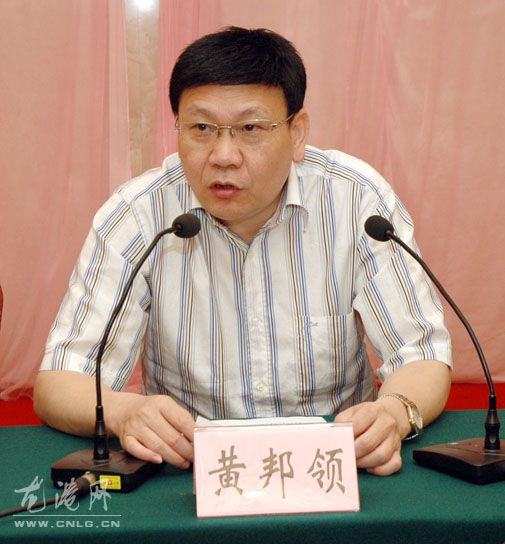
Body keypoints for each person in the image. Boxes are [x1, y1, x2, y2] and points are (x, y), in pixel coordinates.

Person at [34, 27, 452, 477]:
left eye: (250, 128)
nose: (223, 155)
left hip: (332, 467)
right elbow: (60, 381)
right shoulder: (137, 215)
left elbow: (422, 353)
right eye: (201, 129)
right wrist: (121, 411)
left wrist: (393, 412)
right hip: (190, 471)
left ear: (297, 133)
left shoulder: (356, 201)